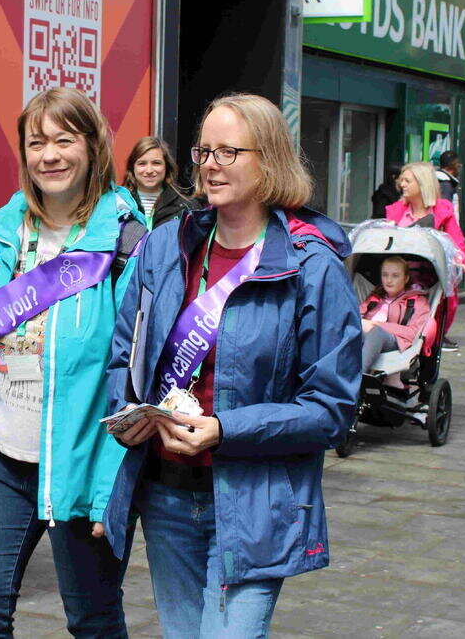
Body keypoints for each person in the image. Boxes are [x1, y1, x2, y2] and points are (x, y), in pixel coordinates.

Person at [100, 93, 362, 637]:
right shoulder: (163, 248)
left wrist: (223, 430)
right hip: (167, 495)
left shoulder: (311, 267)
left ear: (268, 159)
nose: (211, 165)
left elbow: (331, 411)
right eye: (203, 152)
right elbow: (121, 357)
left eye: (229, 152)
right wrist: (130, 416)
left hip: (254, 501)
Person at [0, 87, 145, 638]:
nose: (49, 155)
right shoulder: (2, 230)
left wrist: (109, 487)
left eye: (64, 139)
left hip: (81, 461)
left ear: (93, 146)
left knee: (94, 620)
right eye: (36, 143)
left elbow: (134, 376)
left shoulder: (126, 240)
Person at [387, 161, 465, 351]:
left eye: (408, 181)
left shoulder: (443, 211)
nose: (402, 185)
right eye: (402, 180)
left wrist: (460, 260)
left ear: (422, 184)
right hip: (398, 278)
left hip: (430, 280)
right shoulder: (396, 210)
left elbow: (457, 242)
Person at [359, 256, 433, 373]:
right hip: (366, 336)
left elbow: (413, 333)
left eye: (395, 276)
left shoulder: (417, 301)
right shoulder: (374, 298)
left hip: (394, 341)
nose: (388, 280)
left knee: (376, 332)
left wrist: (376, 324)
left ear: (406, 278)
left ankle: (357, 376)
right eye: (385, 275)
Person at [123, 135, 204, 229]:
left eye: (156, 163)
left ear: (167, 166)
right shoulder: (119, 204)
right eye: (142, 164)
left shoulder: (188, 207)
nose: (149, 170)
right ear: (132, 167)